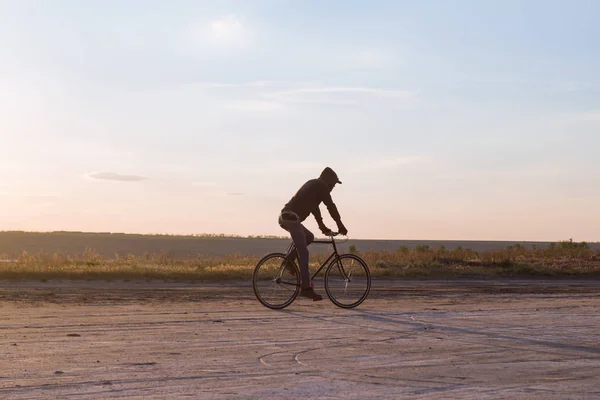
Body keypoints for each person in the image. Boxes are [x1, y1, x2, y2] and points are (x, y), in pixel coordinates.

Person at [278, 167, 348, 301]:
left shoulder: (314, 185)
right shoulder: (321, 185)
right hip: (290, 217)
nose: (333, 187)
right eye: (333, 184)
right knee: (303, 252)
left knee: (309, 237)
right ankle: (305, 288)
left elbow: (315, 209)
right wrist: (340, 225)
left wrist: (323, 227)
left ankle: (289, 261)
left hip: (290, 218)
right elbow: (330, 206)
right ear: (328, 181)